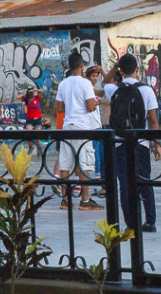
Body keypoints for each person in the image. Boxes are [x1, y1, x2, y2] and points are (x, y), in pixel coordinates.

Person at [105, 53, 161, 231]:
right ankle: (150, 221)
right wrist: (157, 143)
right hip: (141, 142)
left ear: (121, 71)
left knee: (124, 183)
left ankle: (131, 223)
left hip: (120, 142)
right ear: (137, 69)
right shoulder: (146, 90)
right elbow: (152, 120)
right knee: (144, 180)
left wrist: (115, 67)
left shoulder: (114, 89)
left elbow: (104, 82)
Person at [55, 51, 103, 211]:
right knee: (84, 163)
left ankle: (65, 200)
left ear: (69, 66)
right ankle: (85, 199)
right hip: (83, 128)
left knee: (65, 164)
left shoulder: (63, 84)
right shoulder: (85, 84)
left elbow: (59, 108)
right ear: (81, 66)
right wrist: (96, 104)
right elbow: (90, 107)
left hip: (67, 127)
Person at [85, 67, 108, 196]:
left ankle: (102, 183)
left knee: (100, 155)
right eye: (92, 76)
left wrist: (104, 72)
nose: (95, 78)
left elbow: (106, 90)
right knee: (96, 156)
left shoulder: (93, 90)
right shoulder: (88, 89)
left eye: (96, 76)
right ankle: (99, 182)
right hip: (91, 127)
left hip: (97, 125)